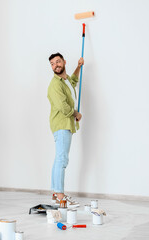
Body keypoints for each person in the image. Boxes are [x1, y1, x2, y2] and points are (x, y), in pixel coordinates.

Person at [47, 52, 84, 208]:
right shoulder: (55, 84)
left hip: (65, 125)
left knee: (59, 159)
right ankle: (61, 197)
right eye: (52, 64)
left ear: (64, 62)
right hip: (61, 124)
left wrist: (79, 66)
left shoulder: (65, 81)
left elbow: (73, 81)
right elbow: (63, 107)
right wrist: (76, 114)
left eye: (58, 62)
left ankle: (56, 195)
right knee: (62, 160)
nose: (55, 65)